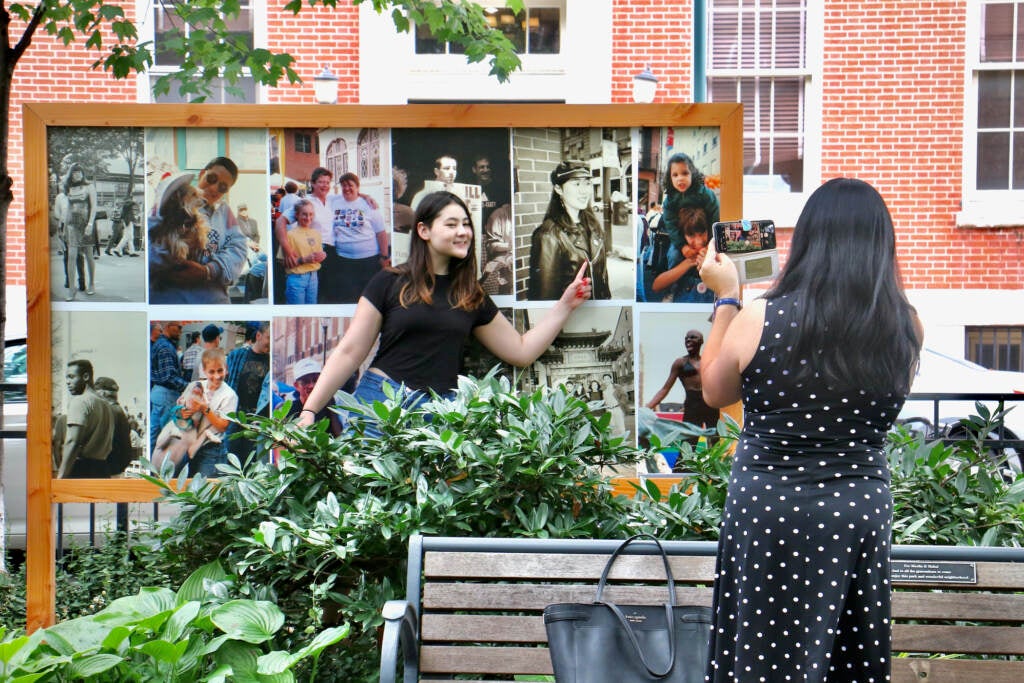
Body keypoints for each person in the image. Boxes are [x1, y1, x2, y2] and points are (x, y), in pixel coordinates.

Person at [696, 178, 924, 682]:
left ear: (808, 242)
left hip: (770, 503)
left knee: (761, 646)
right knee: (846, 649)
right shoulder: (904, 324)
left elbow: (713, 391)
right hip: (856, 506)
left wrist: (728, 297)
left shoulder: (762, 317)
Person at [296, 191, 592, 432]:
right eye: (451, 225)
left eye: (466, 224)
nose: (463, 232)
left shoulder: (470, 294)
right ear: (423, 230)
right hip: (381, 406)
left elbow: (521, 351)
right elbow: (349, 352)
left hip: (439, 415)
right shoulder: (389, 281)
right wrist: (310, 410)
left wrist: (565, 306)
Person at [148, 157, 249, 304]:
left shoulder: (225, 212)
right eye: (212, 178)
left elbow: (238, 248)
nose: (214, 188)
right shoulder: (173, 199)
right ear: (202, 173)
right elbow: (152, 244)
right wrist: (173, 257)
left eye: (222, 187)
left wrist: (209, 271)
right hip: (170, 300)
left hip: (214, 302)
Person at [528, 160, 611, 300]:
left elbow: (603, 280)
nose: (584, 191)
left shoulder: (593, 227)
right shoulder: (548, 236)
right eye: (576, 184)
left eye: (587, 183)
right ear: (558, 189)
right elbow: (544, 297)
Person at [645, 329, 719, 459]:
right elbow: (665, 388)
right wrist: (647, 407)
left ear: (701, 341)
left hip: (710, 403)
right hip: (692, 405)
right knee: (689, 442)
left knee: (715, 438)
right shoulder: (680, 363)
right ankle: (683, 472)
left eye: (693, 337)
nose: (688, 340)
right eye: (686, 338)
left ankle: (715, 470)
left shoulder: (707, 361)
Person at [326, 172, 389, 303]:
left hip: (368, 260)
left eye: (350, 185)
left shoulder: (369, 206)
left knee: (368, 297)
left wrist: (384, 256)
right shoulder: (334, 201)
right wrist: (364, 194)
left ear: (358, 186)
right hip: (343, 260)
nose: (347, 188)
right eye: (343, 185)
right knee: (348, 296)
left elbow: (381, 233)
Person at [181, 347, 239, 478]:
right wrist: (183, 413)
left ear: (226, 369)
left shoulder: (230, 395)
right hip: (190, 446)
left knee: (205, 493)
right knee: (190, 489)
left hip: (213, 450)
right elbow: (179, 412)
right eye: (211, 372)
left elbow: (223, 426)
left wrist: (204, 409)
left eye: (220, 370)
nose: (217, 376)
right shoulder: (195, 386)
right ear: (204, 371)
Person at [660, 152, 719, 276]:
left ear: (693, 174)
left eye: (685, 173)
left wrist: (709, 243)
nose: (680, 178)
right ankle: (674, 288)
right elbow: (671, 226)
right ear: (670, 179)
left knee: (713, 257)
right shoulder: (669, 201)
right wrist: (682, 246)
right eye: (675, 175)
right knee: (673, 256)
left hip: (704, 236)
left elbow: (715, 217)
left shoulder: (704, 194)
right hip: (682, 239)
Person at [57, 360, 115, 478]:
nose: (67, 382)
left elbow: (72, 441)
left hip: (81, 470)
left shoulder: (80, 401)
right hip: (102, 470)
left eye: (71, 377)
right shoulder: (106, 405)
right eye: (66, 378)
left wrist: (61, 476)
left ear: (86, 376)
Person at [650, 206, 715, 303]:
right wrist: (688, 262)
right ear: (683, 235)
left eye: (702, 234)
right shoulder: (675, 252)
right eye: (691, 235)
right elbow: (656, 286)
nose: (698, 242)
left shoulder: (716, 249)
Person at [226, 322, 270, 460]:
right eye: (269, 337)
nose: (271, 343)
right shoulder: (236, 355)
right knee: (231, 456)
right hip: (235, 416)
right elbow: (225, 382)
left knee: (251, 458)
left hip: (256, 419)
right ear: (258, 335)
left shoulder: (271, 361)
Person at [61, 163, 98, 300]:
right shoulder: (69, 188)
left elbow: (94, 207)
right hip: (72, 226)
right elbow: (68, 210)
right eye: (74, 172)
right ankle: (71, 289)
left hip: (86, 225)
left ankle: (92, 284)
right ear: (71, 174)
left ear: (83, 173)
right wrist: (64, 228)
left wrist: (90, 224)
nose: (77, 174)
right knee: (71, 257)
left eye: (79, 172)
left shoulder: (89, 187)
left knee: (89, 255)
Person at [149, 321, 188, 451]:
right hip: (166, 394)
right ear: (168, 326)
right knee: (165, 437)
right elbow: (169, 377)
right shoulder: (165, 347)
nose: (181, 331)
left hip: (161, 393)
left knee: (154, 434)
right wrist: (189, 387)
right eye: (179, 327)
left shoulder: (162, 344)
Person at [284, 356, 343, 436]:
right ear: (296, 386)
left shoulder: (329, 404)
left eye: (315, 380)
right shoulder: (289, 408)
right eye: (305, 381)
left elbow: (339, 435)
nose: (311, 385)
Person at [283, 199, 327, 304]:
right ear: (297, 215)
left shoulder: (316, 234)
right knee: (297, 314)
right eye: (304, 214)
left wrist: (323, 255)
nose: (308, 218)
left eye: (311, 214)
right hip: (297, 279)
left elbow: (318, 256)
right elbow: (283, 263)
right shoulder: (290, 235)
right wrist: (304, 260)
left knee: (311, 313)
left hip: (313, 278)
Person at [94, 376, 136, 476]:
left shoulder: (108, 411)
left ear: (102, 393)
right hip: (117, 468)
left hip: (108, 470)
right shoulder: (119, 410)